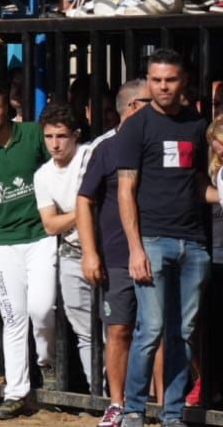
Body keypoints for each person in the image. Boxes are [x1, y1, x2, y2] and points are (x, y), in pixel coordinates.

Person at [114, 50, 211, 427]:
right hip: (153, 242)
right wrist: (136, 249)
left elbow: (198, 183)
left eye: (170, 79)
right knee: (150, 330)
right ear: (149, 81)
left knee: (183, 332)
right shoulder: (136, 127)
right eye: (156, 80)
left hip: (194, 244)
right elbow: (126, 190)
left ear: (182, 80)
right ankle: (134, 410)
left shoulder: (195, 124)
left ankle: (173, 414)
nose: (163, 86)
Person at [0, 82, 55, 418]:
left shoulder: (33, 135)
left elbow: (61, 166)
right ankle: (16, 392)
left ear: (9, 107)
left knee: (42, 309)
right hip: (3, 242)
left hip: (42, 235)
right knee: (13, 317)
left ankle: (47, 362)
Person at [75, 78, 151, 427]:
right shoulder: (104, 148)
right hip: (117, 256)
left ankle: (163, 404)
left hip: (157, 251)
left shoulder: (158, 140)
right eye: (150, 101)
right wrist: (89, 253)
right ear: (133, 107)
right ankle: (117, 403)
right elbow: (84, 200)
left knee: (159, 330)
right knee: (119, 329)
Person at [32, 104, 93, 389]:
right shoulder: (43, 174)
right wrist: (83, 212)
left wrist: (68, 218)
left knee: (116, 329)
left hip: (104, 251)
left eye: (61, 136)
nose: (54, 144)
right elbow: (49, 225)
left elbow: (58, 221)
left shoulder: (90, 156)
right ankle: (99, 395)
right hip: (70, 254)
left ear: (76, 135)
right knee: (85, 333)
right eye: (48, 137)